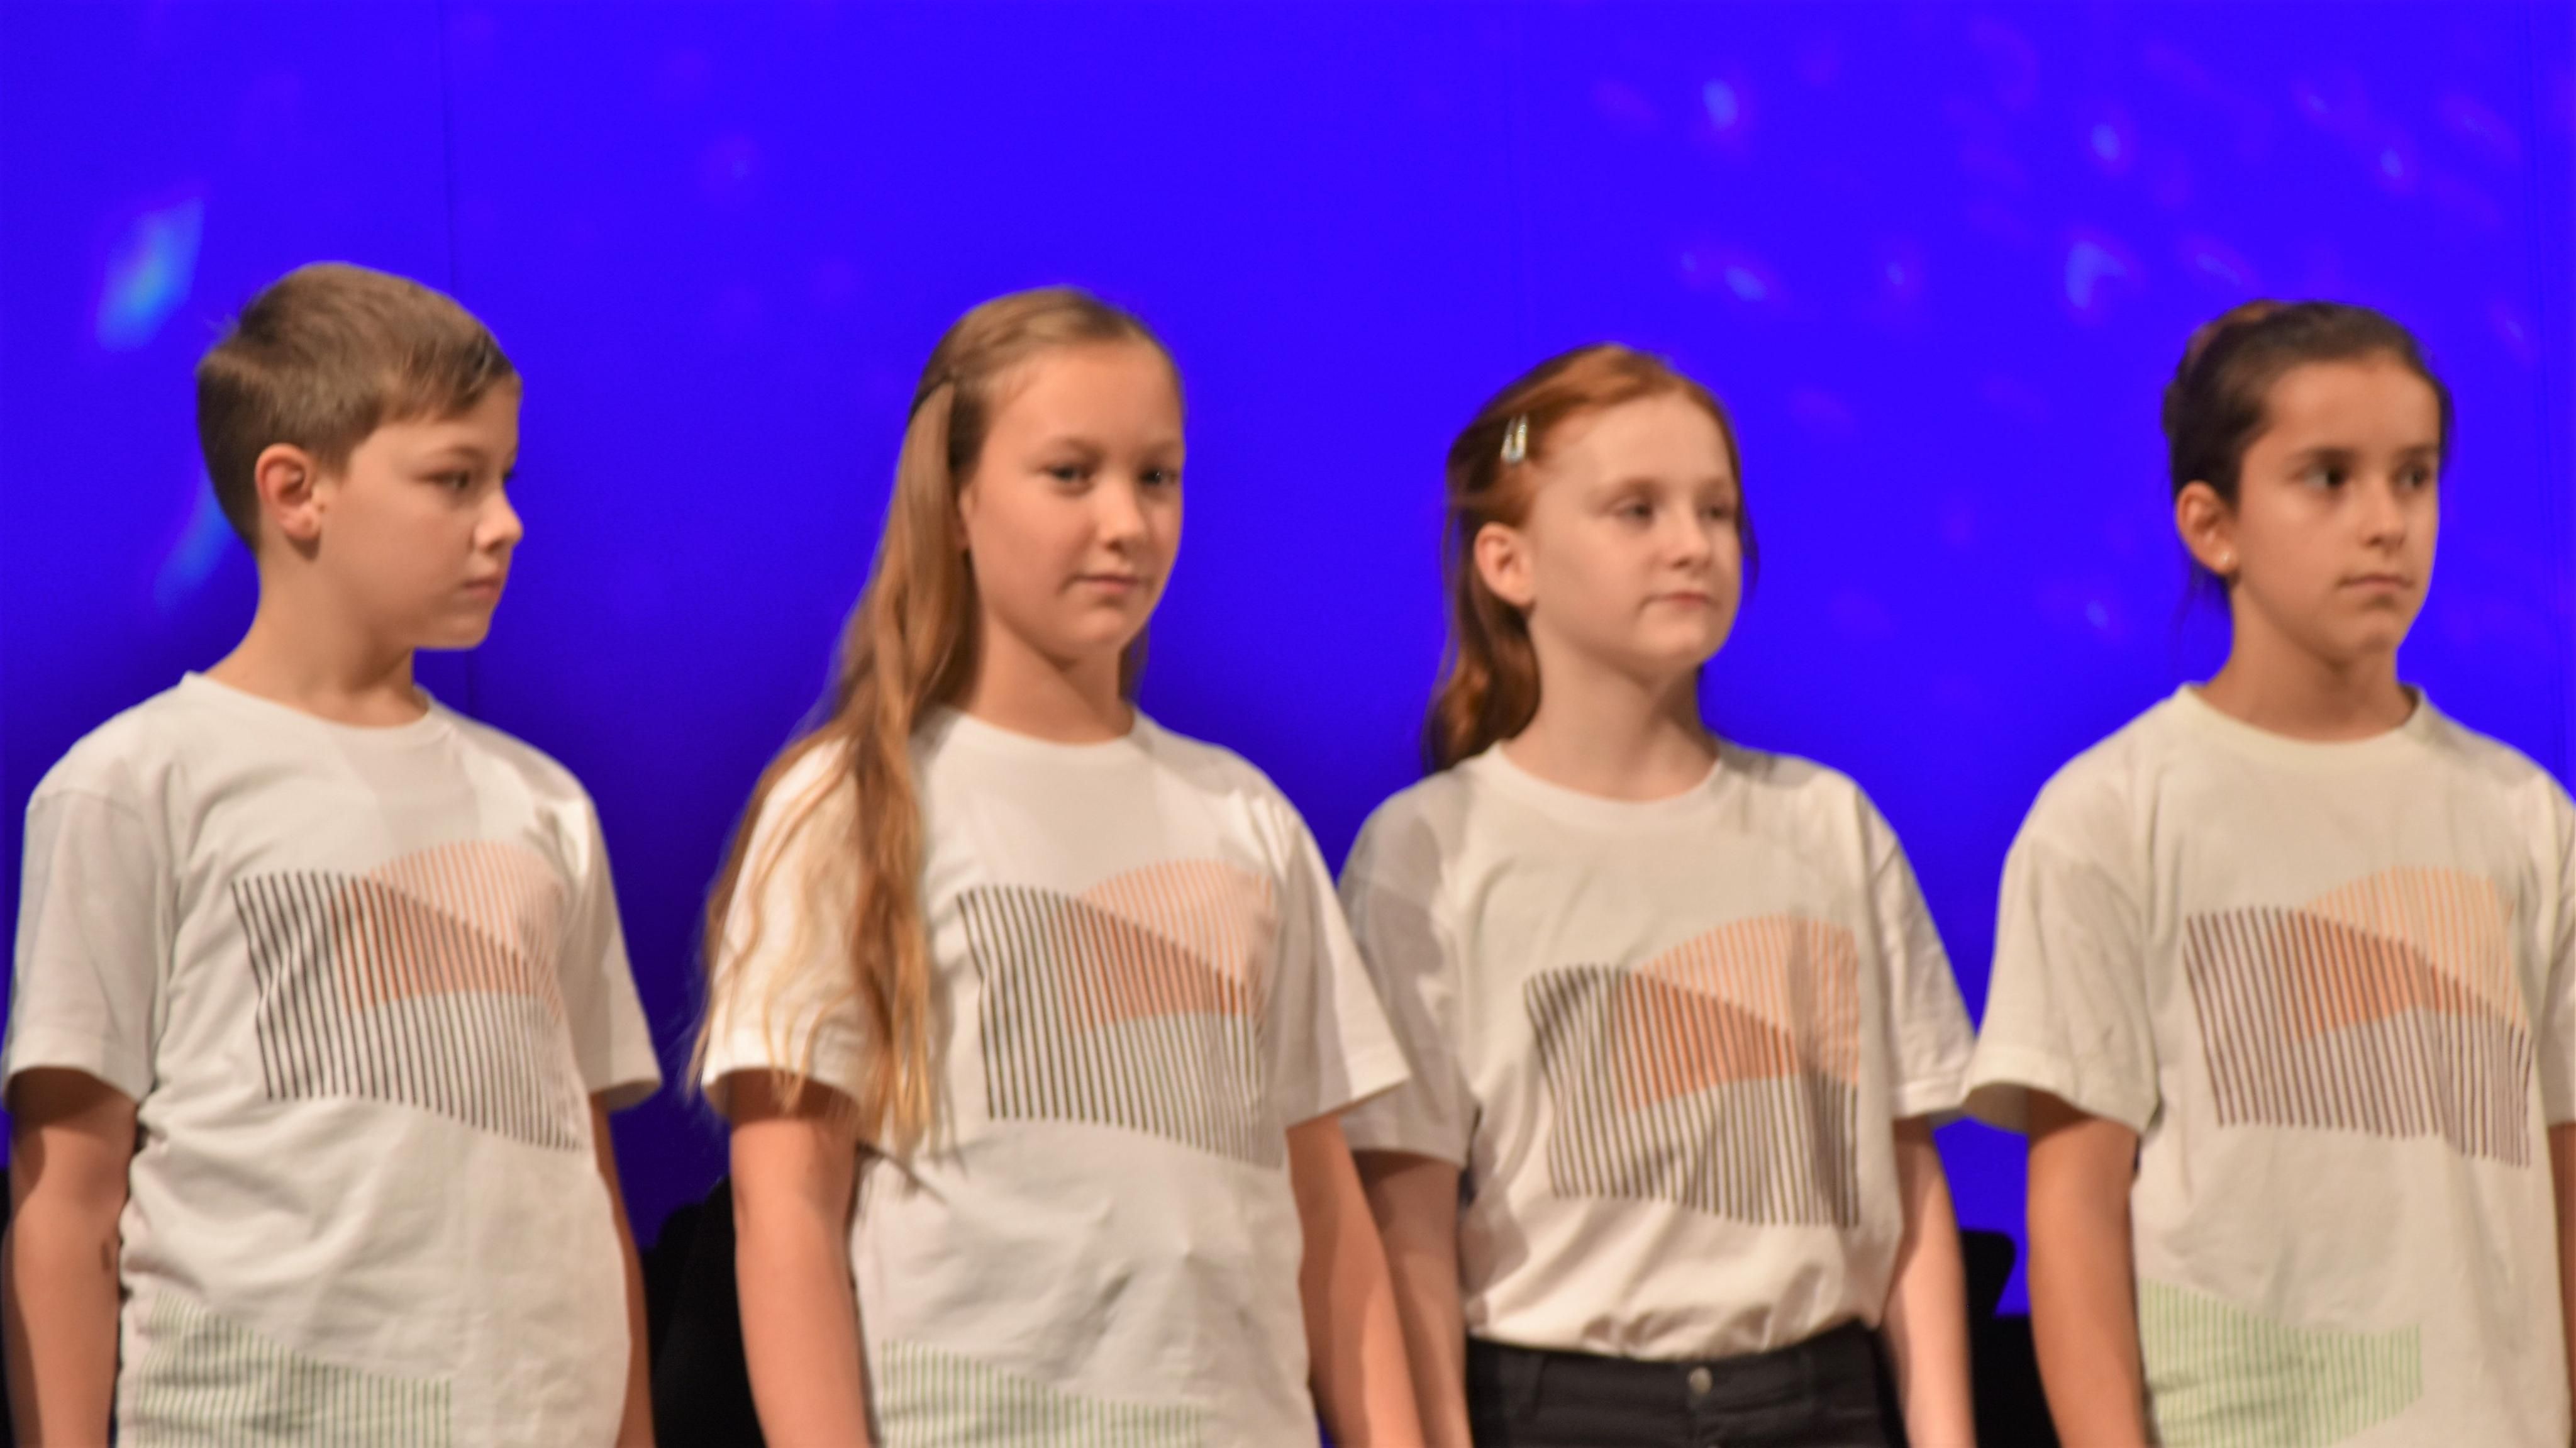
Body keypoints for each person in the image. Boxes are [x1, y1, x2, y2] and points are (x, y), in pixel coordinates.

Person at [694, 286, 1421, 1446]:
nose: (1126, 523)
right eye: (1071, 474)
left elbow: (1322, 1208)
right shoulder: (850, 805)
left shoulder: (1241, 816)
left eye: (1156, 476)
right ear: (957, 499)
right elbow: (785, 1206)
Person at [2, 262, 661, 1445]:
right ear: (296, 490)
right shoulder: (136, 785)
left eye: (504, 479)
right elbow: (68, 1200)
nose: (505, 523)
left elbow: (589, 1181)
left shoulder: (542, 804)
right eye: (455, 479)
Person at [1967, 299, 2576, 1446]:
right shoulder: (2111, 817)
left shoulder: (2525, 818)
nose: (2385, 522)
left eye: (2413, 477)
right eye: (2328, 478)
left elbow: (2564, 1169)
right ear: (2213, 524)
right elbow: (2075, 1214)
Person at [1346, 343, 1978, 1447]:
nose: (1692, 544)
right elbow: (1409, 1223)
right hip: (1560, 1409)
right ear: (1508, 561)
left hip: (1817, 1399)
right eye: (1635, 510)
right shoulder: (1432, 849)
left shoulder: (1826, 825)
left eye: (1717, 511)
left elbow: (1906, 1177)